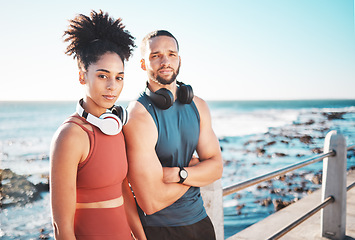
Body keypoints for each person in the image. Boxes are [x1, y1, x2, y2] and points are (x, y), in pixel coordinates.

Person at [50, 10, 146, 240]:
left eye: (119, 77)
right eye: (103, 76)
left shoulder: (115, 127)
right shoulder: (70, 136)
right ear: (83, 76)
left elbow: (125, 196)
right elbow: (61, 227)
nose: (112, 86)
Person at [123, 30, 223, 240]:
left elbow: (216, 168)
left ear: (179, 60)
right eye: (155, 55)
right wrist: (195, 169)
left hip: (201, 223)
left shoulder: (199, 106)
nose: (165, 61)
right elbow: (151, 202)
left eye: (171, 54)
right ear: (143, 64)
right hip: (161, 230)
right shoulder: (138, 116)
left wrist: (180, 173)